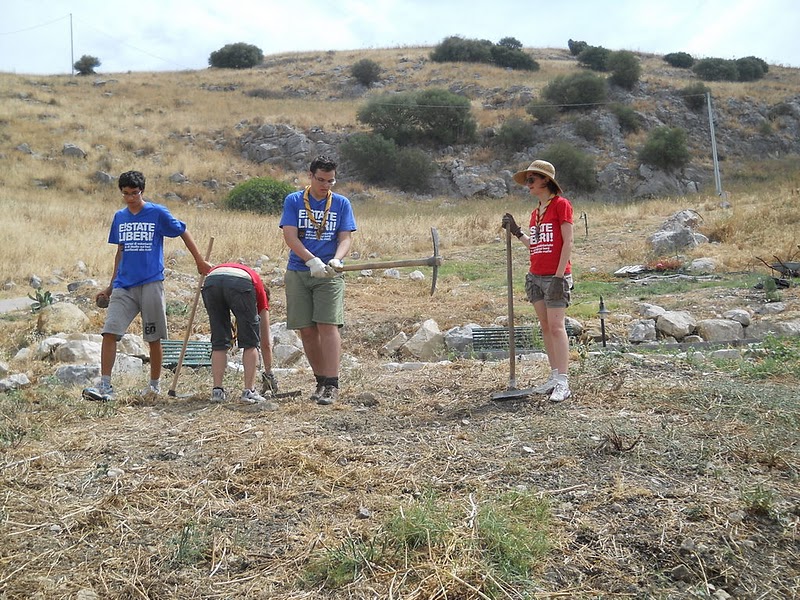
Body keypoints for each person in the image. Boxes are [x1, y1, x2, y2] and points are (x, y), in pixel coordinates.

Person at [82, 170, 212, 402]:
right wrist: (110, 287)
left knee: (153, 338)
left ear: (142, 191)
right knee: (109, 332)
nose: (130, 198)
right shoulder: (119, 217)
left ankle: (154, 387)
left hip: (151, 283)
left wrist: (199, 261)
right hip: (124, 286)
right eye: (126, 194)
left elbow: (182, 231)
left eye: (134, 193)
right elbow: (120, 252)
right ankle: (105, 386)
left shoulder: (157, 212)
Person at [279, 155, 357, 405]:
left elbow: (345, 237)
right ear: (310, 176)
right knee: (306, 329)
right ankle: (320, 380)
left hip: (329, 274)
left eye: (330, 181)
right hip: (299, 271)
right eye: (321, 180)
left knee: (327, 325)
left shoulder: (341, 203)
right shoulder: (294, 201)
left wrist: (337, 260)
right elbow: (290, 236)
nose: (325, 185)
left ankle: (333, 384)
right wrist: (311, 260)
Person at [502, 160, 574, 402]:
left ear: (546, 180)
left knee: (556, 326)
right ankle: (554, 376)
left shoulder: (561, 205)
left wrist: (559, 276)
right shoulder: (536, 213)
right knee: (545, 327)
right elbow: (535, 246)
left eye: (532, 179)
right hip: (536, 275)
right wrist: (517, 231)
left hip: (555, 276)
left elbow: (568, 242)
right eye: (527, 180)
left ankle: (563, 381)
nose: (528, 184)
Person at [201, 262, 278, 407]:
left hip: (211, 280)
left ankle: (217, 392)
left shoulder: (246, 274)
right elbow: (265, 342)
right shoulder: (259, 292)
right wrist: (269, 373)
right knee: (250, 342)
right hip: (239, 283)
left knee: (219, 341)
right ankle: (249, 391)